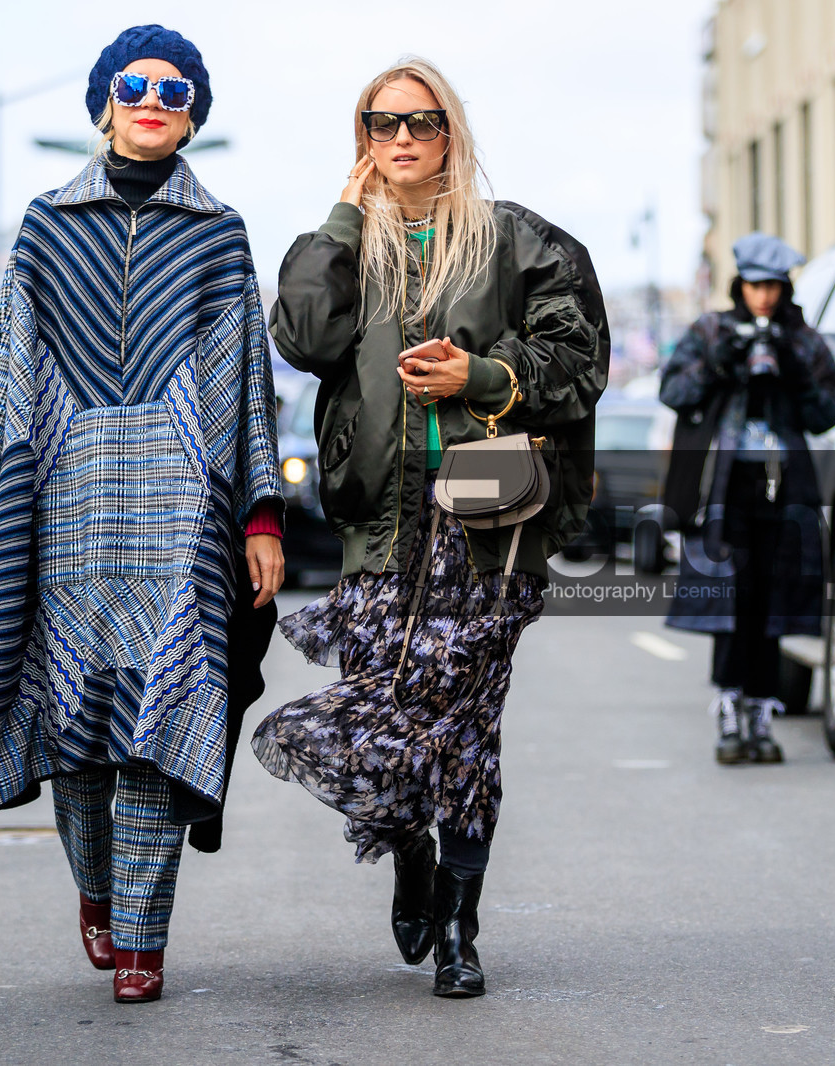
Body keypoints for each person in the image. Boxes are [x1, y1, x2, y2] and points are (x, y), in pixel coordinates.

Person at [0, 25, 284, 1005]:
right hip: (64, 513)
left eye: (175, 90)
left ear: (193, 116)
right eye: (134, 85)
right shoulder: (46, 225)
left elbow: (247, 386)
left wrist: (260, 516)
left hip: (182, 522)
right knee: (77, 732)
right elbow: (9, 369)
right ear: (103, 104)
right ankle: (96, 888)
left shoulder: (218, 234)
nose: (153, 101)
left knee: (161, 723)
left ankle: (143, 940)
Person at [252, 57, 607, 999]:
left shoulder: (518, 241)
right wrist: (343, 218)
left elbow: (580, 359)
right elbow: (301, 338)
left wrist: (480, 377)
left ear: (451, 132)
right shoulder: (344, 246)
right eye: (382, 123)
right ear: (362, 137)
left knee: (467, 726)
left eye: (421, 121)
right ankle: (411, 849)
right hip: (380, 524)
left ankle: (459, 925)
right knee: (389, 718)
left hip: (489, 524)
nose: (402, 137)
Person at [659, 233, 835, 765]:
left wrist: (793, 371)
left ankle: (762, 718)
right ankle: (728, 714)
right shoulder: (711, 330)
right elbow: (673, 392)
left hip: (786, 489)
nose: (764, 297)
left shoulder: (803, 340)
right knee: (728, 602)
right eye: (756, 285)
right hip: (725, 489)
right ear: (740, 285)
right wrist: (721, 363)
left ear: (785, 288)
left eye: (774, 286)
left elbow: (827, 413)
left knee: (773, 602)